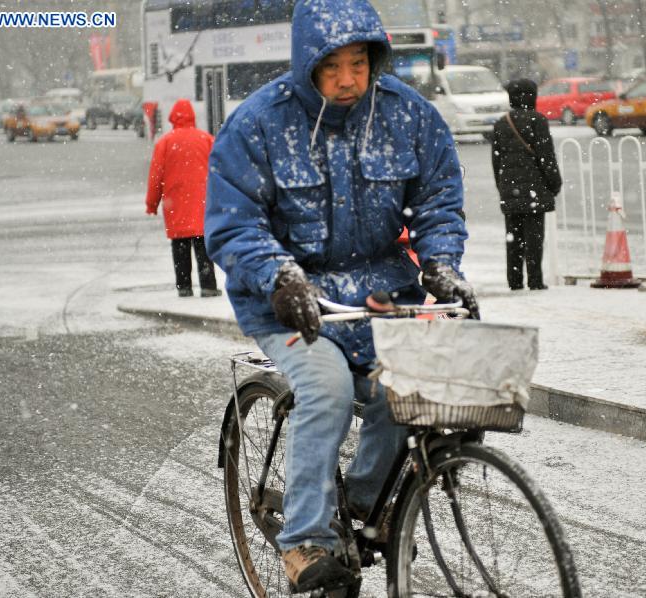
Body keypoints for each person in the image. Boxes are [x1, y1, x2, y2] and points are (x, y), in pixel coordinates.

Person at [204, 0, 479, 592]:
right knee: (326, 387)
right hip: (287, 300)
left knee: (408, 385)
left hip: (378, 297)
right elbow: (232, 224)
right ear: (307, 63)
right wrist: (279, 275)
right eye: (333, 67)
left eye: (360, 63)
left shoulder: (409, 116)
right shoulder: (258, 123)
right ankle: (303, 542)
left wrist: (440, 263)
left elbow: (438, 201)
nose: (349, 79)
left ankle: (357, 501)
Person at [145, 98, 221, 298]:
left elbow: (156, 177)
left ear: (173, 118)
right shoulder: (206, 139)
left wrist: (151, 204)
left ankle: (184, 286)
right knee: (203, 246)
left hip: (175, 204)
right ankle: (208, 286)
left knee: (180, 247)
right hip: (203, 204)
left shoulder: (165, 143)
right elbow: (220, 170)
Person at [491, 78, 562, 291]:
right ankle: (535, 280)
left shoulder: (502, 123)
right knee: (534, 238)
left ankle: (514, 281)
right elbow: (546, 157)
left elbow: (496, 161)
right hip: (535, 189)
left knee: (513, 238)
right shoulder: (537, 121)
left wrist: (503, 187)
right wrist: (554, 183)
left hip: (510, 190)